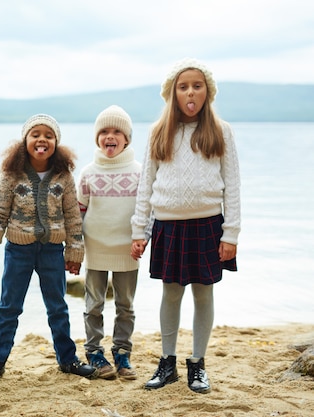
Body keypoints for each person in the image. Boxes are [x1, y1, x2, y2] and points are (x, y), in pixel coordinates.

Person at [130, 58, 241, 394]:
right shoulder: (158, 132)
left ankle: (198, 364)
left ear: (207, 92)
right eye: (183, 86)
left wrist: (231, 233)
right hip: (168, 226)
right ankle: (168, 363)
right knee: (171, 293)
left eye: (197, 85)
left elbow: (232, 185)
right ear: (172, 93)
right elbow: (145, 185)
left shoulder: (221, 131)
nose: (190, 91)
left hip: (208, 226)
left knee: (203, 294)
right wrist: (140, 231)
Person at [0, 114, 97, 387]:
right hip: (18, 250)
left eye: (49, 136)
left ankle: (67, 359)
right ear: (25, 141)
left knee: (57, 307)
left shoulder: (63, 176)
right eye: (35, 134)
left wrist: (74, 253)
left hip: (53, 250)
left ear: (56, 143)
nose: (42, 139)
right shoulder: (11, 174)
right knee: (9, 307)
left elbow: (72, 216)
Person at [77, 105, 142, 380]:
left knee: (125, 305)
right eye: (104, 131)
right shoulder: (88, 172)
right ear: (97, 138)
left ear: (127, 138)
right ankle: (94, 351)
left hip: (128, 249)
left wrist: (142, 238)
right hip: (96, 248)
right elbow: (78, 213)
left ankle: (122, 352)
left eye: (117, 131)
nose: (110, 136)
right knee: (94, 304)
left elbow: (144, 212)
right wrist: (76, 247)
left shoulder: (140, 172)